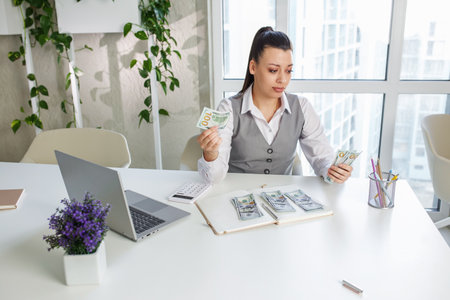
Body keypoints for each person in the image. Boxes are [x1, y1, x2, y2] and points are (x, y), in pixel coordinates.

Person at [197, 26, 353, 184]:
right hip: (235, 197)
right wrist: (210, 154)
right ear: (253, 67)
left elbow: (323, 159)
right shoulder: (228, 108)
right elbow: (213, 179)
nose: (283, 80)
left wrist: (333, 171)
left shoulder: (302, 107)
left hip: (283, 201)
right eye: (273, 70)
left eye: (288, 71)